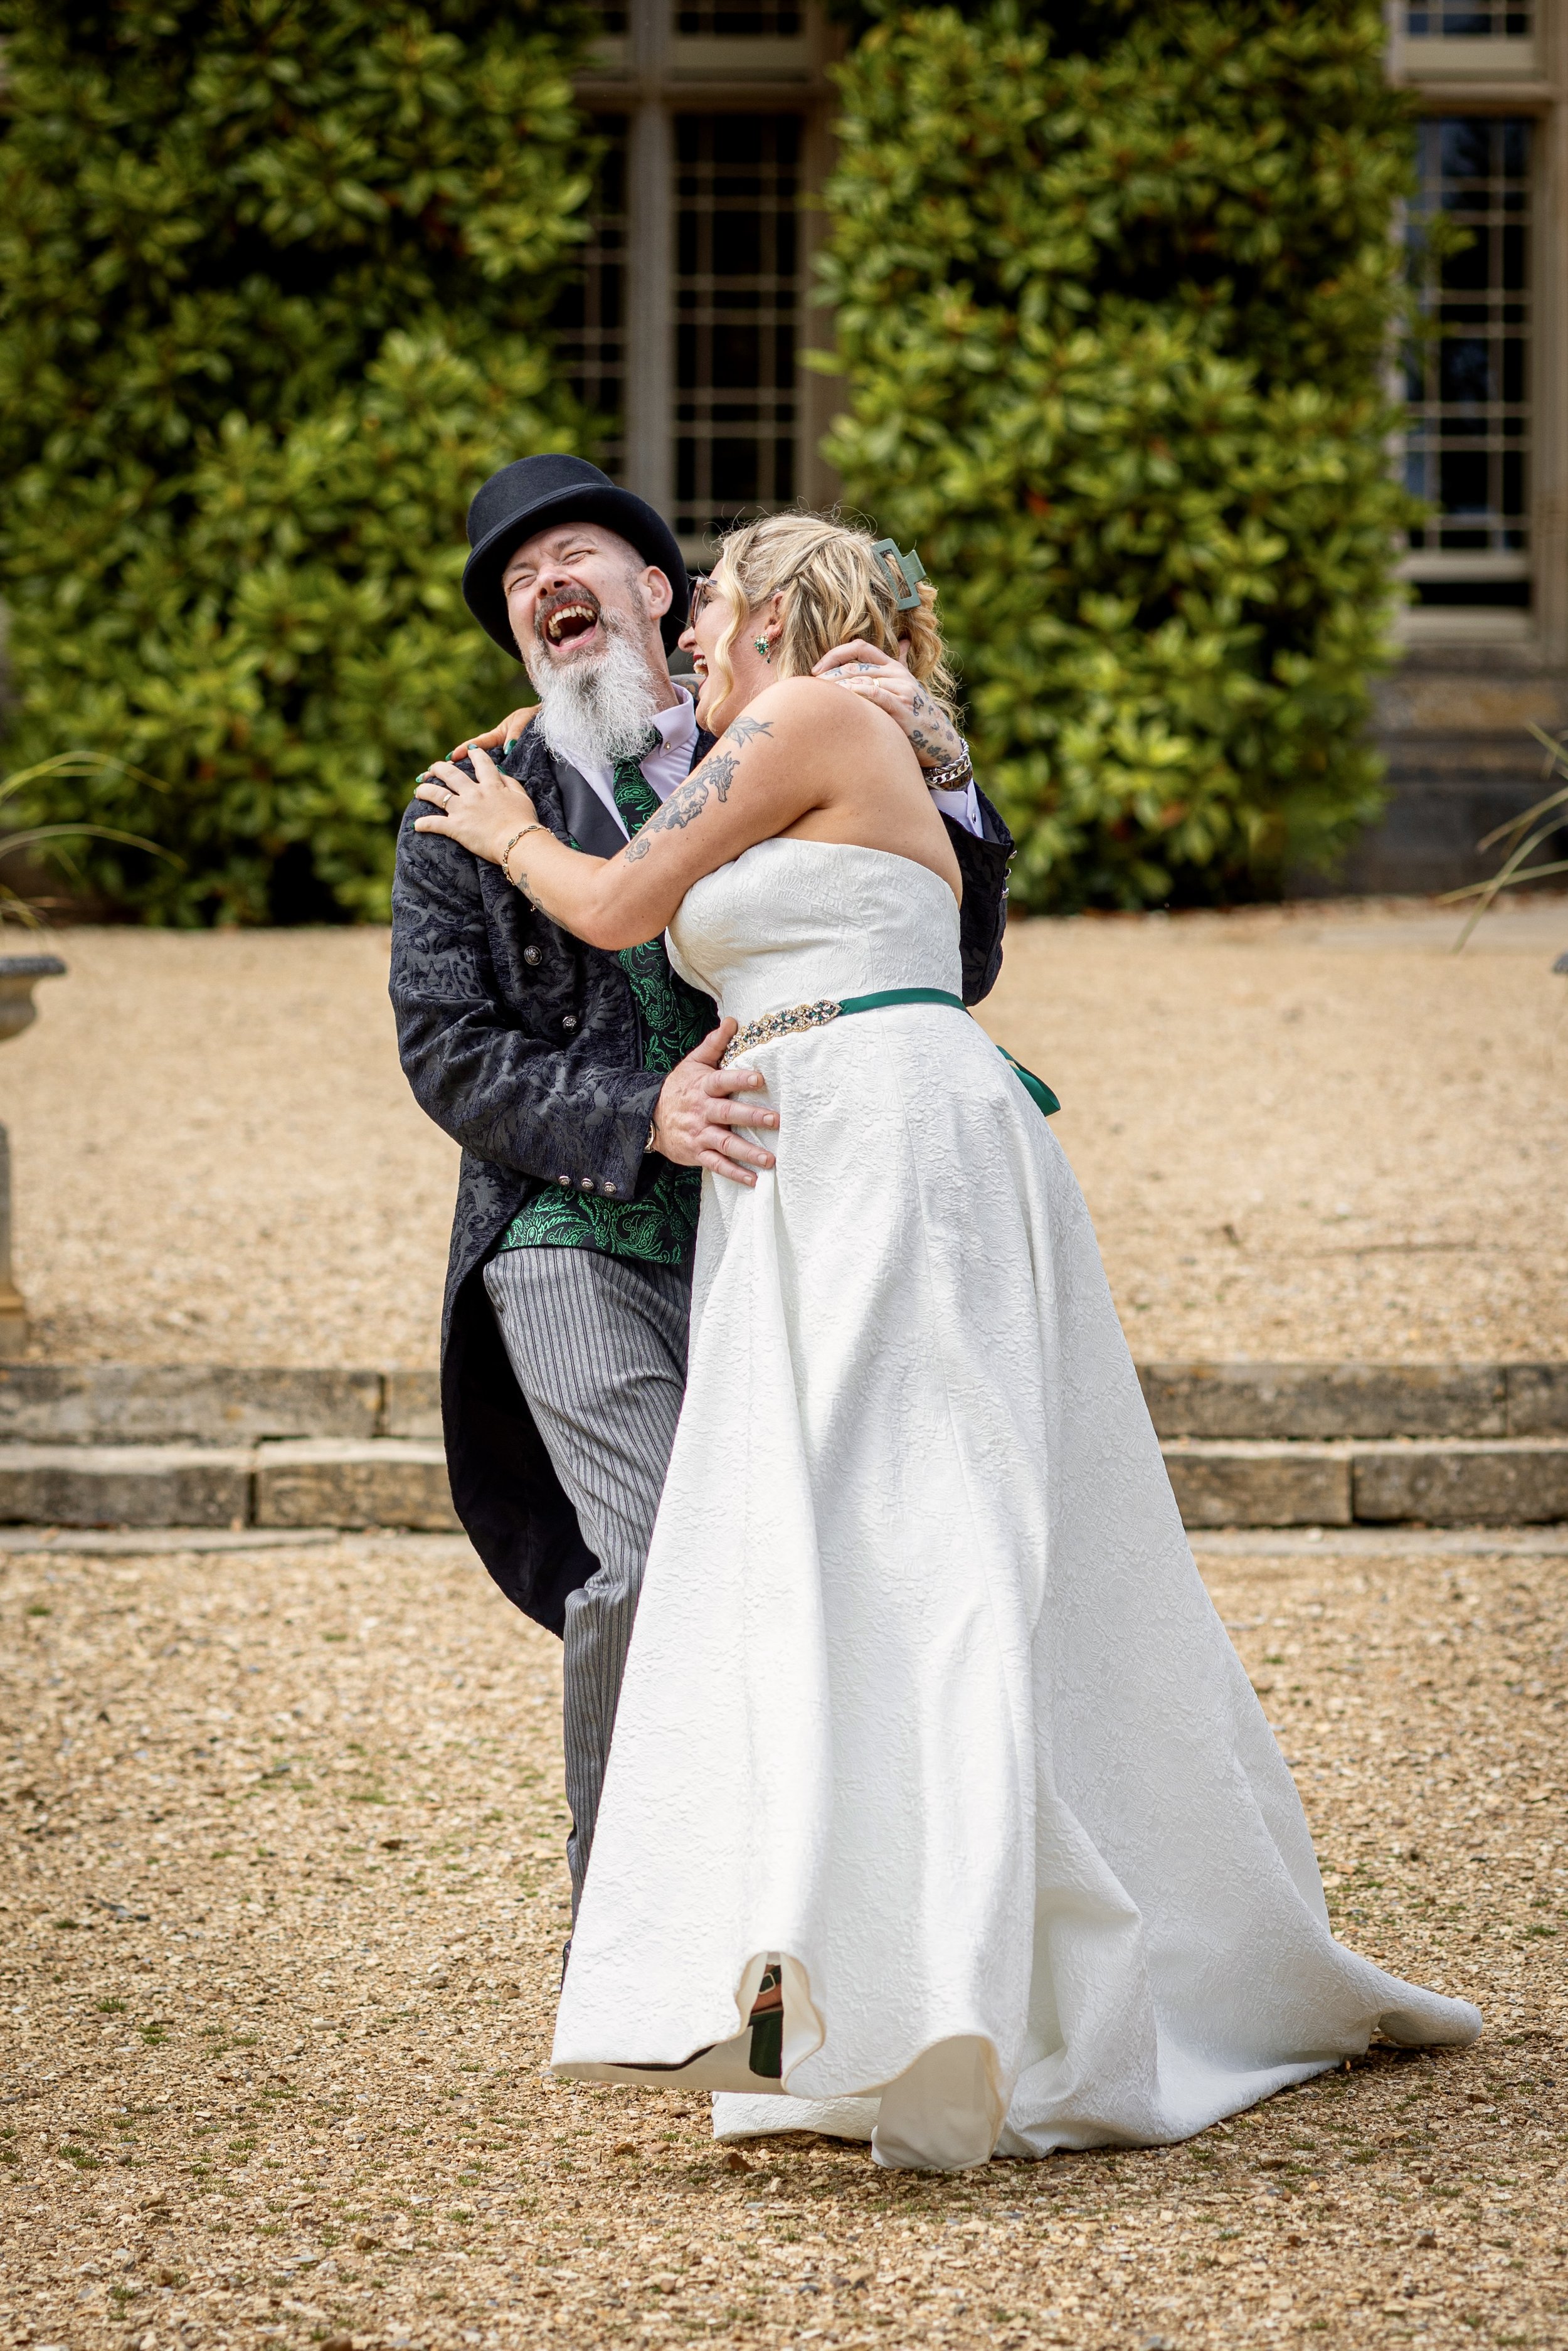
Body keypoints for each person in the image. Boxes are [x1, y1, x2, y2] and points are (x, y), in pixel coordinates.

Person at [410, 511, 1481, 2173]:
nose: (686, 628)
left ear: (770, 610)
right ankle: (815, 1984)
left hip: (887, 1147)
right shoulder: (802, 724)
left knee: (934, 1541)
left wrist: (500, 827)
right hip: (807, 1166)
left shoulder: (807, 721)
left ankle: (971, 1987)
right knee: (820, 1560)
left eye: (706, 602)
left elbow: (622, 903)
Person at [389, 457, 1014, 1926]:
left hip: (782, 1228)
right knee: (657, 1544)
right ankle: (636, 1929)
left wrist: (944, 771)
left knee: (817, 1553)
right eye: (517, 579)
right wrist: (638, 1112)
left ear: (662, 596)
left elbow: (949, 960)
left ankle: (801, 1916)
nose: (546, 584)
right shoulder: (470, 801)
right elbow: (446, 1050)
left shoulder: (783, 727)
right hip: (568, 1225)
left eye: (577, 556)